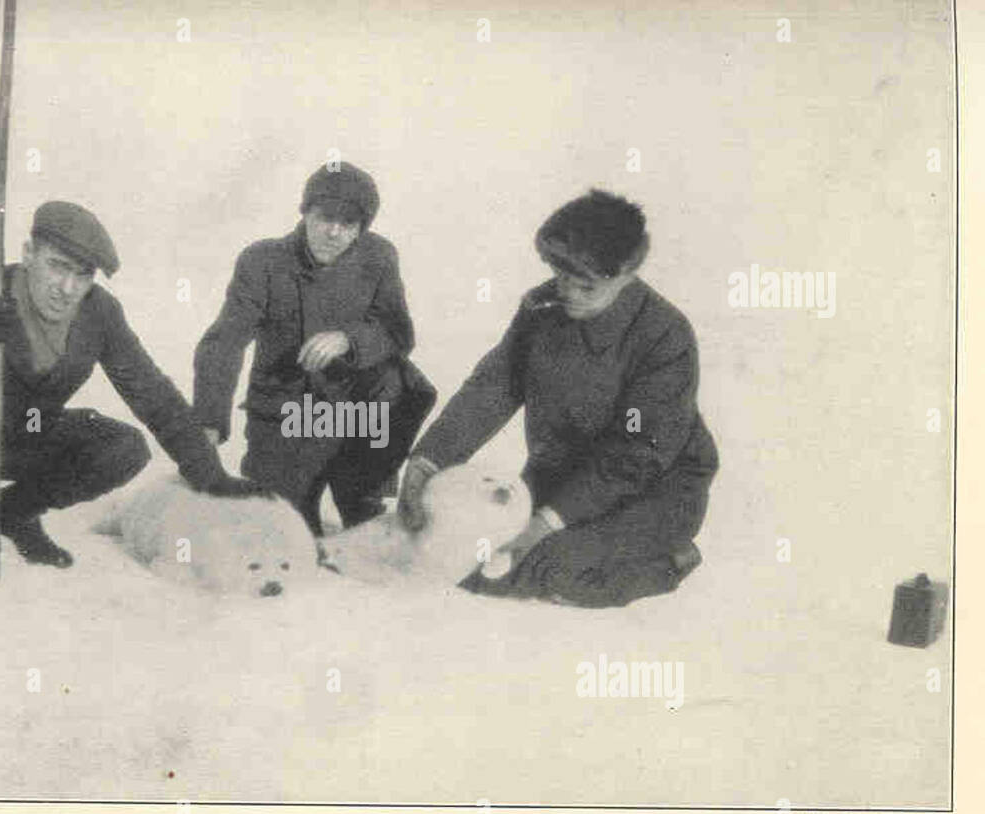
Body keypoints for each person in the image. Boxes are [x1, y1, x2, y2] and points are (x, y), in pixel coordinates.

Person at [0, 200, 264, 575]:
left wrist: (211, 477)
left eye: (83, 275)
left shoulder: (99, 313)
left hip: (29, 432)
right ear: (29, 253)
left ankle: (15, 512)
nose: (67, 288)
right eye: (57, 266)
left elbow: (153, 395)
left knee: (125, 448)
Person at [398, 189, 718, 607]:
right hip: (562, 476)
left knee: (544, 569)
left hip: (654, 489)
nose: (566, 292)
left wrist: (544, 524)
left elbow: (638, 452)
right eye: (561, 275)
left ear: (627, 274)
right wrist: (427, 462)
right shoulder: (541, 308)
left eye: (585, 286)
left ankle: (670, 557)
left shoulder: (664, 335)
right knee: (467, 560)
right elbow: (492, 388)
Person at [192, 162, 436, 535]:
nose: (334, 232)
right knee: (284, 531)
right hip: (287, 414)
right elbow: (224, 342)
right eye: (325, 217)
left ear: (362, 229)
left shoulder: (378, 258)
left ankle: (360, 492)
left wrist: (349, 340)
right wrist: (208, 423)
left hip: (349, 410)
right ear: (305, 212)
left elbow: (399, 333)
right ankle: (299, 494)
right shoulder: (263, 261)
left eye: (349, 224)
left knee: (398, 380)